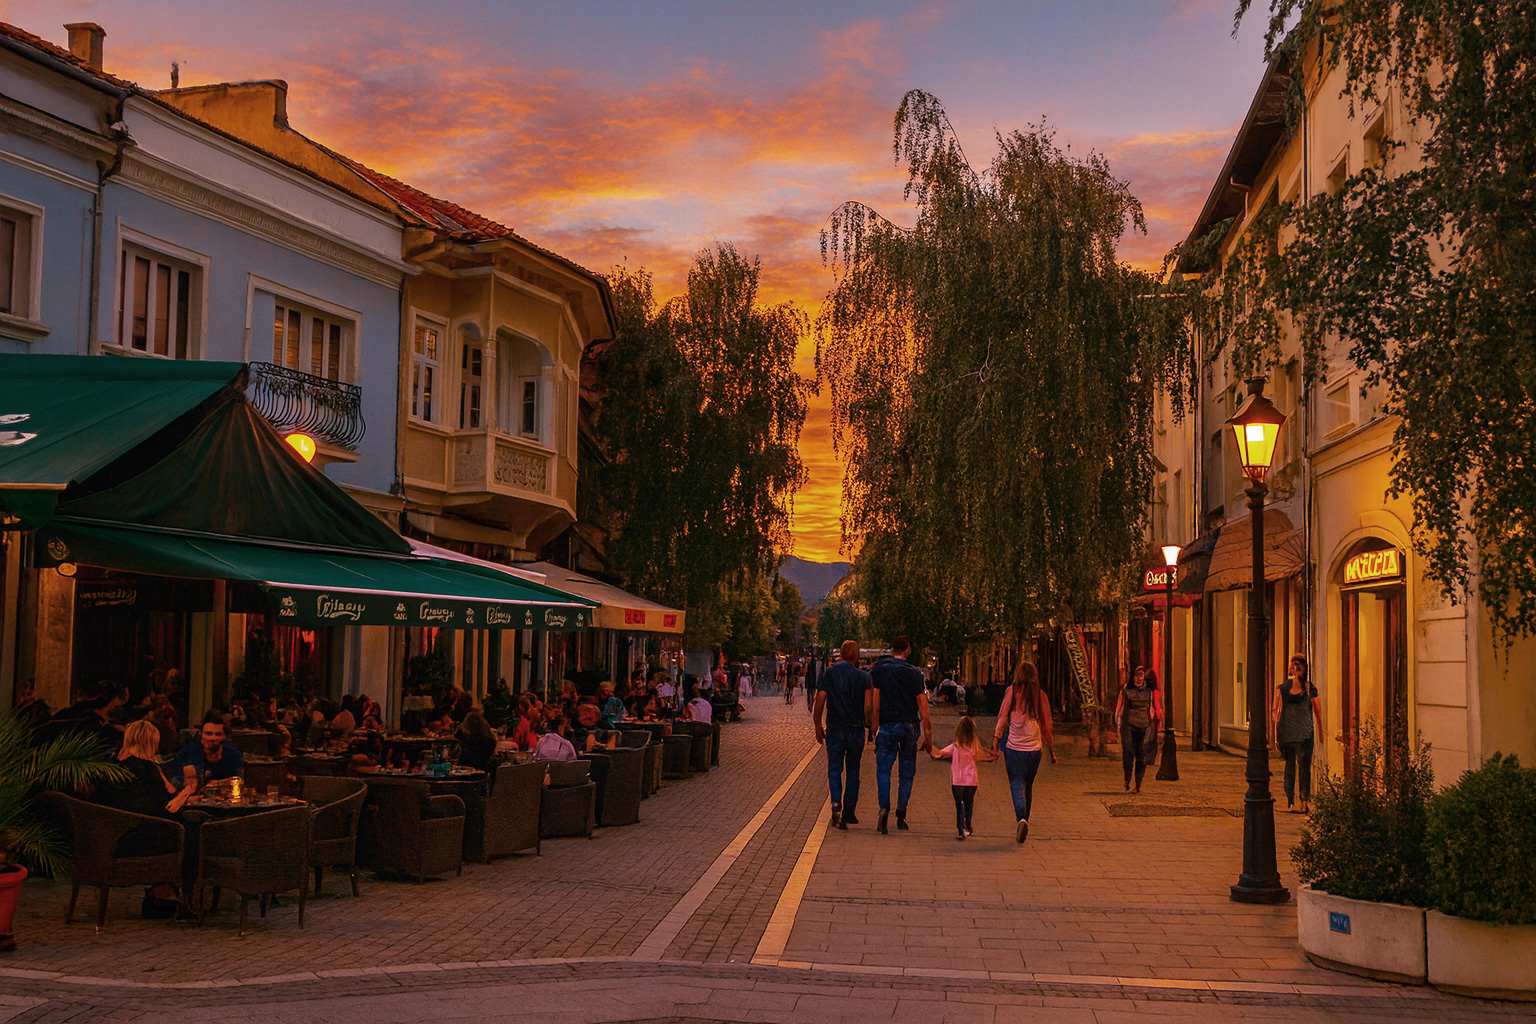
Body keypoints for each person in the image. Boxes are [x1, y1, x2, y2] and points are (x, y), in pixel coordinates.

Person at [870, 636, 933, 834]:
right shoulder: (914, 673)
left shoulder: (879, 669)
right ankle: (901, 813)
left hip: (887, 725)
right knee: (906, 771)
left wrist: (873, 727)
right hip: (908, 726)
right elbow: (923, 705)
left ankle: (883, 807)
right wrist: (928, 735)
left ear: (892, 649)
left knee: (883, 769)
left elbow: (875, 701)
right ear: (906, 650)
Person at [992, 661, 1056, 843]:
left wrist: (996, 742)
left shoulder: (1012, 693)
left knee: (1016, 782)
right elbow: (1047, 726)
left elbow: (1002, 718)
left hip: (1013, 749)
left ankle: (1021, 818)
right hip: (1034, 750)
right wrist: (1052, 750)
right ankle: (1025, 821)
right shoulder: (1040, 696)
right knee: (1028, 784)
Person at [813, 640, 873, 830]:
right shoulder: (864, 678)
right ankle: (849, 812)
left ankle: (836, 802)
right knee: (854, 770)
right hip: (856, 729)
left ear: (841, 654)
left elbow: (820, 700)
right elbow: (868, 706)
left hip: (835, 728)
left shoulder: (829, 674)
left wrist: (817, 725)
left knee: (834, 769)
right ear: (856, 656)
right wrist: (869, 726)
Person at [930, 715, 997, 840]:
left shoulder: (955, 745)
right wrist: (992, 756)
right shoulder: (974, 745)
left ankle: (960, 828)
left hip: (957, 781)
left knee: (959, 805)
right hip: (971, 781)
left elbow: (940, 753)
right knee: (969, 803)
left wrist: (930, 749)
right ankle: (968, 825)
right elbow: (981, 755)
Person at [1272, 654, 1324, 813]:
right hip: (1288, 733)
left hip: (1305, 734)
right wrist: (1274, 731)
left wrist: (1321, 730)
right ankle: (1290, 801)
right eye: (1295, 664)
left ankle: (1304, 800)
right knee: (1289, 768)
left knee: (1304, 768)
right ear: (1291, 668)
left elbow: (1317, 709)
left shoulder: (1310, 688)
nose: (1297, 667)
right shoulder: (1283, 688)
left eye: (1300, 664)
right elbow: (1275, 711)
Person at [1113, 665, 1162, 794]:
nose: (1138, 678)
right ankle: (1127, 778)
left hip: (1144, 726)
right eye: (1136, 675)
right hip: (1128, 725)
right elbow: (1120, 706)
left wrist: (1154, 722)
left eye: (1141, 675)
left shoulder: (1149, 692)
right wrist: (1118, 721)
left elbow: (1152, 708)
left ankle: (1138, 784)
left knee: (1141, 756)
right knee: (1128, 752)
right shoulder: (1126, 690)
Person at [171, 712, 244, 789]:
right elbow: (174, 780)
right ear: (202, 735)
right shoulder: (187, 753)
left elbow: (238, 781)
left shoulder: (233, 755)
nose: (212, 738)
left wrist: (219, 784)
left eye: (218, 734)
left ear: (224, 737)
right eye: (208, 734)